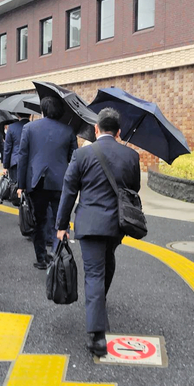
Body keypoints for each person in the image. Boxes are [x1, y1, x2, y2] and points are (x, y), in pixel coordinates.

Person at [56, 108, 141, 357]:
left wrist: (61, 226)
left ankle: (97, 337)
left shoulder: (82, 154)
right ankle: (98, 304)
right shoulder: (131, 156)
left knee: (94, 273)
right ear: (119, 132)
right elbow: (133, 189)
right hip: (117, 224)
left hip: (90, 224)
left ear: (96, 129)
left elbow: (69, 191)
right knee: (107, 262)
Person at [17, 97, 77, 270]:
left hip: (37, 182)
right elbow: (73, 159)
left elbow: (23, 157)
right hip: (61, 182)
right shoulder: (68, 130)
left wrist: (21, 185)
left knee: (39, 221)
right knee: (61, 220)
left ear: (42, 110)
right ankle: (57, 256)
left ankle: (41, 258)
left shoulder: (29, 128)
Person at [3, 113, 31, 187]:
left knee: (14, 186)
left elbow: (7, 148)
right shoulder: (34, 126)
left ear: (18, 115)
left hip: (15, 161)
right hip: (30, 161)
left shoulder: (12, 127)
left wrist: (5, 166)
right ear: (30, 115)